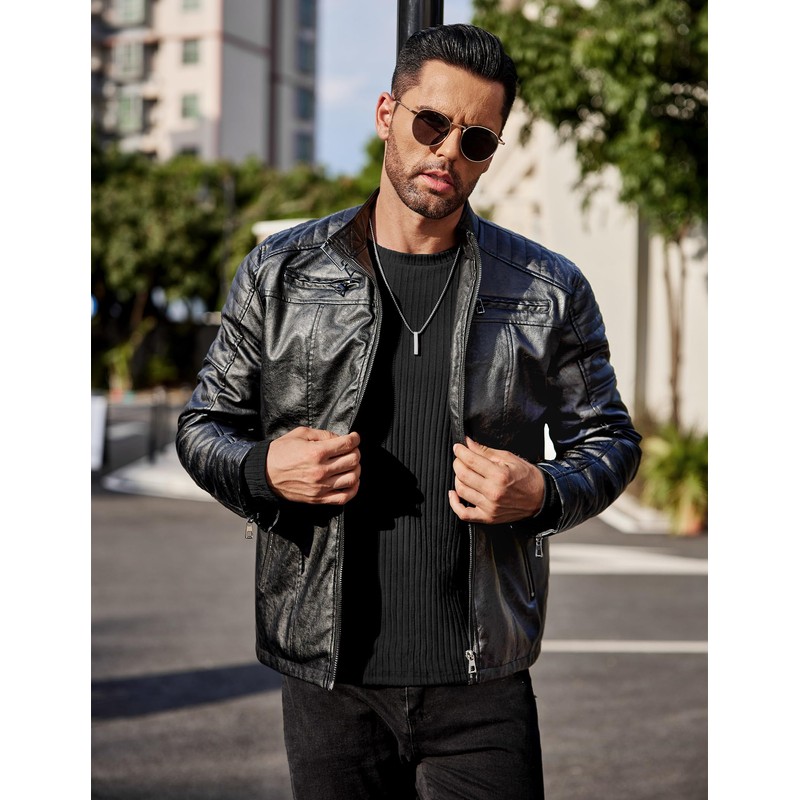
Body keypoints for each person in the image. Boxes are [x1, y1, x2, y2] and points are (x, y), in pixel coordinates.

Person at [176, 23, 641, 800]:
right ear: (387, 113)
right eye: (431, 123)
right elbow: (203, 427)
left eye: (476, 139)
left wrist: (545, 491)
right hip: (332, 685)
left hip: (482, 685)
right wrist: (263, 470)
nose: (448, 152)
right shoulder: (280, 271)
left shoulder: (546, 288)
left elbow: (609, 439)